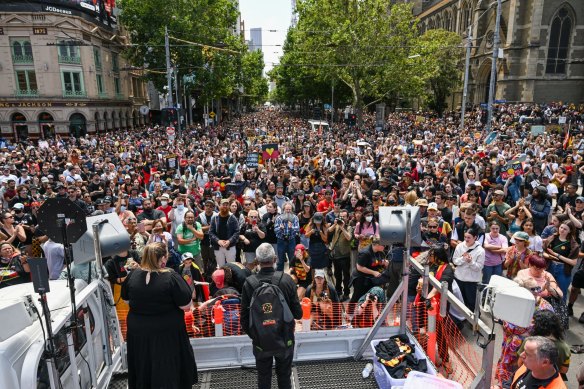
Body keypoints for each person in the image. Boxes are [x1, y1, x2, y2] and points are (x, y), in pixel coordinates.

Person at [121, 242, 197, 388]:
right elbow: (186, 305)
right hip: (167, 334)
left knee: (144, 365)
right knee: (167, 368)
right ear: (163, 258)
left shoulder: (133, 276)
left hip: (139, 333)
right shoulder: (171, 277)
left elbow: (126, 300)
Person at [240, 243, 302, 389]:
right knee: (284, 376)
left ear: (257, 260)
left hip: (261, 342)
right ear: (275, 258)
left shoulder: (249, 283)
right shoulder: (286, 280)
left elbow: (244, 318)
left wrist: (256, 334)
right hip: (284, 339)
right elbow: (298, 313)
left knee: (263, 377)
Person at [518, 310, 571, 380]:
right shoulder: (565, 348)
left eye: (533, 323)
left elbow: (520, 363)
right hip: (551, 380)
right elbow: (564, 370)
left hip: (527, 378)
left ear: (539, 327)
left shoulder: (529, 342)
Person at [543, 221, 579, 301]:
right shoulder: (552, 238)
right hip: (550, 266)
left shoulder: (573, 244)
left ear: (570, 231)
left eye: (565, 229)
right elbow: (544, 250)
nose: (562, 230)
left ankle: (560, 312)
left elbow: (573, 262)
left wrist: (557, 255)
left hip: (563, 269)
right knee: (546, 290)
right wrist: (546, 255)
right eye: (561, 227)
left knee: (561, 293)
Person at [452, 228, 485, 312]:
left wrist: (471, 262)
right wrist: (463, 259)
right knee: (459, 301)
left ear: (475, 238)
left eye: (469, 237)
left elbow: (479, 267)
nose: (466, 239)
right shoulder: (459, 246)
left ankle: (473, 321)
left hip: (471, 281)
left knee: (471, 302)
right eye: (465, 237)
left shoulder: (481, 251)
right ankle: (461, 319)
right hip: (459, 278)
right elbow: (455, 260)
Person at [327, 209, 353, 301]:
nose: (342, 218)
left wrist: (342, 227)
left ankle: (346, 293)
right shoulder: (336, 225)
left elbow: (349, 237)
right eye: (340, 216)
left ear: (347, 218)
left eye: (344, 216)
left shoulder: (349, 227)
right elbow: (328, 230)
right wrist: (335, 224)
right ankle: (338, 291)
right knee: (337, 275)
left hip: (344, 256)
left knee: (346, 276)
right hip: (335, 255)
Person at [209, 198, 240, 267]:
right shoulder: (214, 217)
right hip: (218, 246)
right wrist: (218, 241)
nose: (225, 206)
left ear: (229, 206)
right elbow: (211, 232)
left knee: (231, 266)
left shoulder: (232, 217)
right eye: (223, 204)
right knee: (220, 267)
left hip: (230, 246)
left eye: (227, 204)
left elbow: (237, 232)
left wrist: (229, 241)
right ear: (219, 206)